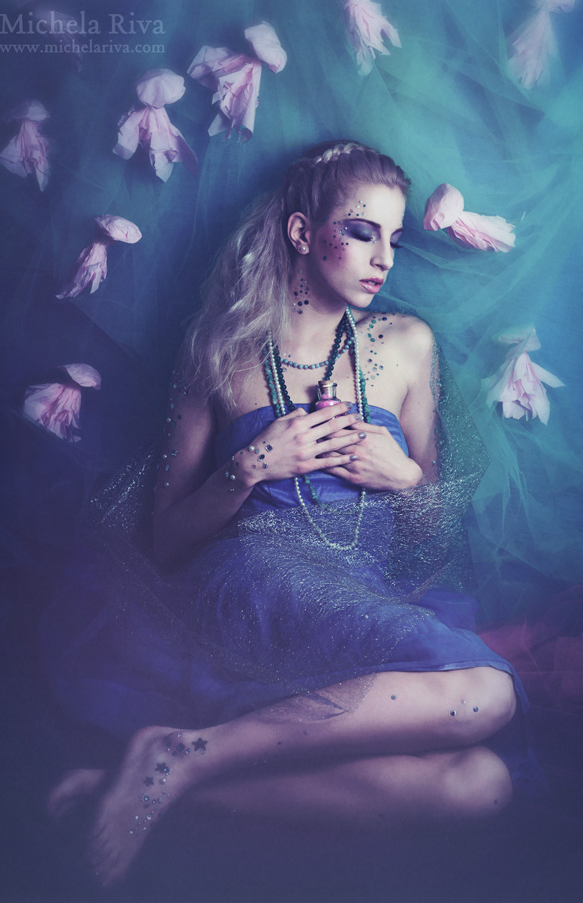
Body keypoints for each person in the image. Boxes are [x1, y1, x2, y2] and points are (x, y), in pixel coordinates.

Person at [47, 141, 527, 887]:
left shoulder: (407, 345)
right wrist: (248, 467)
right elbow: (165, 540)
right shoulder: (219, 352)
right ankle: (180, 758)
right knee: (489, 692)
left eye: (394, 239)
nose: (383, 259)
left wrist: (402, 474)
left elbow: (431, 534)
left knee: (483, 785)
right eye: (362, 232)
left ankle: (172, 774)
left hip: (360, 594)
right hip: (255, 585)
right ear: (303, 232)